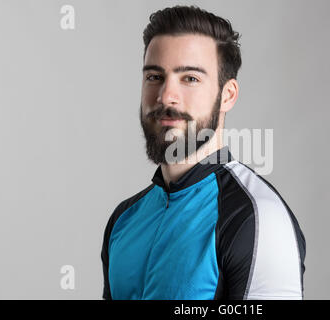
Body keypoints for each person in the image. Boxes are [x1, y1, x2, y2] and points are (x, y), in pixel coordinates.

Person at [101, 5, 306, 300]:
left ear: (228, 95)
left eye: (190, 78)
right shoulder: (124, 219)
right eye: (154, 77)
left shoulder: (256, 219)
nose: (165, 96)